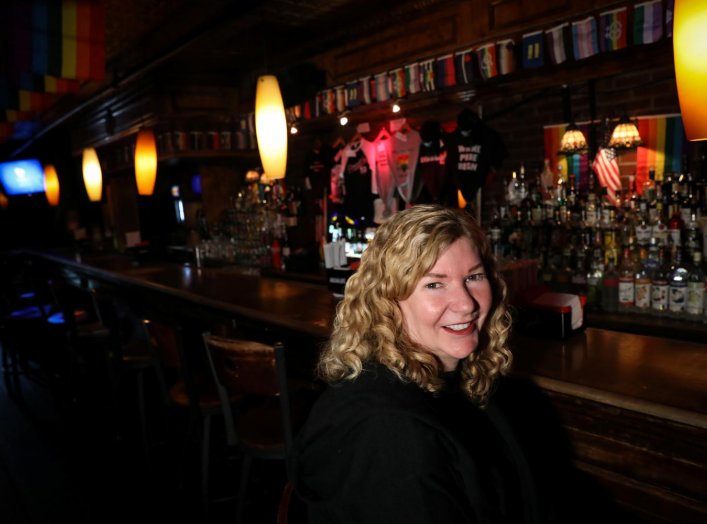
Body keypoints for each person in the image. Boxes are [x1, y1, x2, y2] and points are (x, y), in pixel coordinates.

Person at [291, 204, 540, 523]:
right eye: (434, 284)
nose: (466, 303)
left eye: (474, 276)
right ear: (387, 301)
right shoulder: (390, 434)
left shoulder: (458, 381)